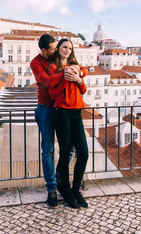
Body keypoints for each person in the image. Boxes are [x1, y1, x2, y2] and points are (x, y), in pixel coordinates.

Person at [30, 34, 86, 209]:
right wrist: (66, 73)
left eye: (58, 47)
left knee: (69, 149)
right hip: (47, 107)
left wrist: (79, 74)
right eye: (54, 48)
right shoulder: (37, 62)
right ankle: (52, 189)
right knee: (48, 150)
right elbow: (47, 82)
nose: (57, 50)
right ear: (44, 50)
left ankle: (62, 180)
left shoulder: (59, 61)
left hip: (68, 109)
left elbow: (82, 70)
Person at [49, 38, 89, 209]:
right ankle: (65, 190)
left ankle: (75, 189)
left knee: (84, 152)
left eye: (70, 48)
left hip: (76, 111)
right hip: (62, 112)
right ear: (58, 48)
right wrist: (66, 78)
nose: (67, 50)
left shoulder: (76, 66)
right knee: (65, 153)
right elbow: (53, 93)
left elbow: (83, 89)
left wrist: (79, 78)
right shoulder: (53, 67)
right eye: (64, 47)